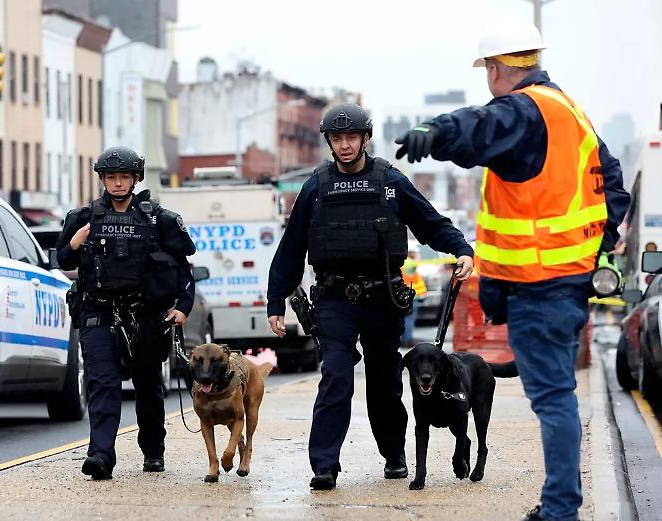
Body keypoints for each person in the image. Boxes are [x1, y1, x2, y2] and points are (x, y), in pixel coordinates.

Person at [394, 20, 630, 521]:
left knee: (552, 401)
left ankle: (561, 510)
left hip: (539, 289)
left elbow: (483, 126)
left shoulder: (526, 109)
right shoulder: (570, 112)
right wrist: (595, 251)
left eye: (487, 71)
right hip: (563, 286)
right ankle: (560, 504)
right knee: (556, 396)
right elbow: (614, 187)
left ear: (496, 69)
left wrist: (435, 131)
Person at [267, 102, 474, 490]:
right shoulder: (315, 187)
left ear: (365, 138)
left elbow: (431, 222)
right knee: (336, 378)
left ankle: (394, 455)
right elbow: (291, 248)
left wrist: (461, 249)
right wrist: (276, 301)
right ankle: (324, 466)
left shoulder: (390, 181)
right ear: (329, 141)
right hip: (334, 300)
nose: (344, 145)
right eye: (337, 138)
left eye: (351, 137)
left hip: (382, 299)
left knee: (384, 383)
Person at [56, 146, 196, 480]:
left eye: (124, 177)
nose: (117, 184)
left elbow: (184, 270)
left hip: (145, 315)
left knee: (148, 384)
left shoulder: (159, 220)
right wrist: (74, 244)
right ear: (102, 179)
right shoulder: (83, 218)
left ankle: (153, 451)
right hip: (98, 312)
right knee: (102, 383)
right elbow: (62, 260)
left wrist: (183, 307)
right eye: (111, 178)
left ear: (135, 179)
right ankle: (101, 455)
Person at [400, 247, 427, 347]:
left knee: (402, 319)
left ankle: (401, 340)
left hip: (401, 295)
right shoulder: (411, 263)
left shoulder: (400, 262)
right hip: (412, 296)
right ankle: (407, 340)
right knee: (410, 319)